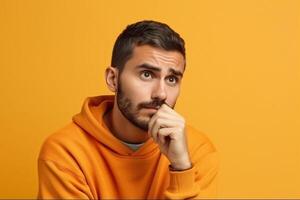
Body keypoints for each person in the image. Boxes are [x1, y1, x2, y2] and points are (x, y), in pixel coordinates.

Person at [37, 20, 219, 199]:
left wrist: (181, 168)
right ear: (113, 79)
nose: (161, 94)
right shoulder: (66, 152)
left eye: (171, 79)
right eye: (146, 74)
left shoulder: (196, 152)